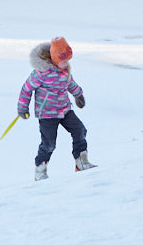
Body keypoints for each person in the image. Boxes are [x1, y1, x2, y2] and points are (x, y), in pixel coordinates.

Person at [17, 37, 94, 180]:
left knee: (80, 130)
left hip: (64, 109)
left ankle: (81, 162)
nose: (67, 64)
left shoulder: (65, 71)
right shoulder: (41, 73)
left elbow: (70, 83)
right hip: (47, 114)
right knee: (49, 143)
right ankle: (40, 171)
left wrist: (78, 95)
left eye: (68, 60)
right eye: (64, 61)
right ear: (54, 58)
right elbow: (26, 89)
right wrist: (23, 107)